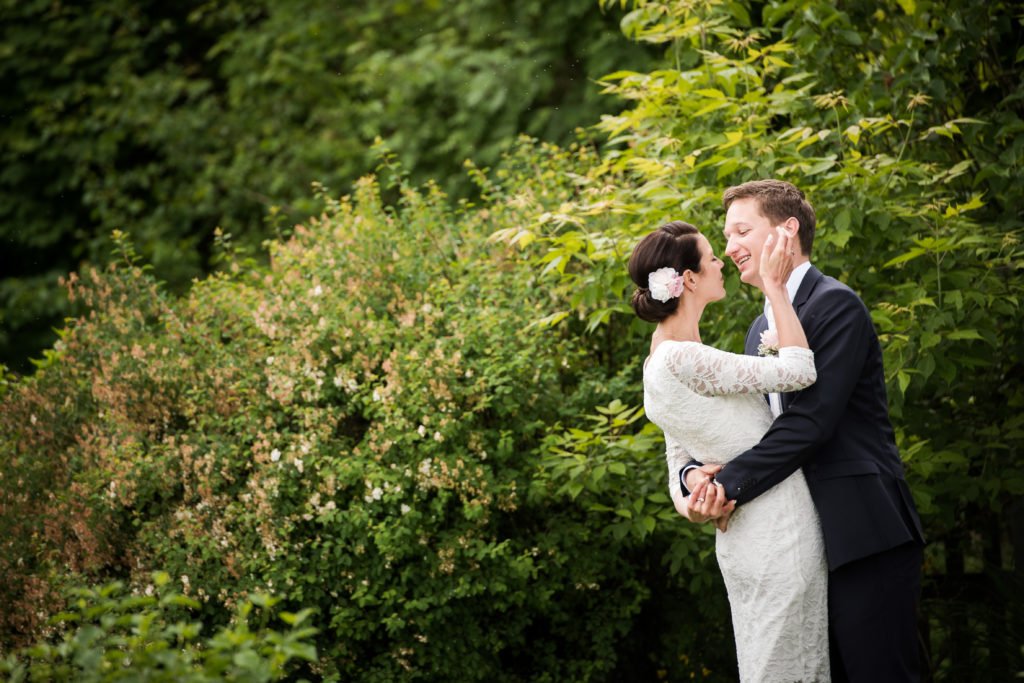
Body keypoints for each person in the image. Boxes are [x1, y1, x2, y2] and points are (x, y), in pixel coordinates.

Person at [681, 179, 926, 682]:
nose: (729, 248)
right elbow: (754, 429)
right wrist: (695, 476)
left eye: (742, 230)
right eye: (725, 237)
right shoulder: (759, 328)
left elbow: (810, 423)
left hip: (862, 532)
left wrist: (727, 486)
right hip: (796, 543)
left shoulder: (836, 305)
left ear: (787, 230)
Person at [631, 220, 829, 682]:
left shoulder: (659, 359)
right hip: (780, 527)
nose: (722, 261)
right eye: (711, 256)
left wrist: (694, 500)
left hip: (739, 535)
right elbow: (799, 370)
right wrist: (776, 288)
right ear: (691, 279)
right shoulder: (685, 357)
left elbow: (677, 462)